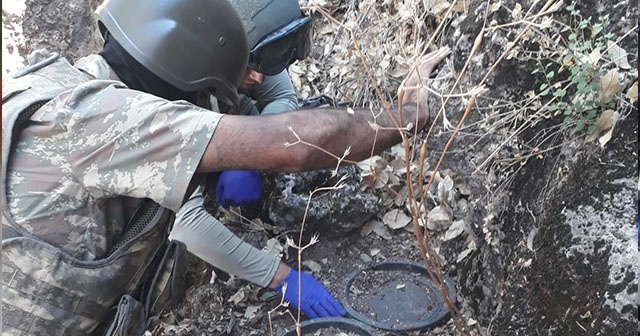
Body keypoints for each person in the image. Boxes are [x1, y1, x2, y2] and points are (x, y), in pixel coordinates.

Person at [1, 0, 450, 334]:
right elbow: (300, 142)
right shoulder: (105, 119)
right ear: (186, 62)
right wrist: (406, 118)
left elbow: (281, 104)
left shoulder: (63, 81)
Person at [214, 0, 311, 210]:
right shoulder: (177, 79)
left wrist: (251, 153)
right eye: (248, 63)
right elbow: (187, 222)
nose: (259, 78)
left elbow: (283, 97)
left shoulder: (248, 36)